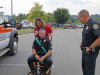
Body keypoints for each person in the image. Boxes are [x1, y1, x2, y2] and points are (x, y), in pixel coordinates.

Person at [78, 9, 100, 75]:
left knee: (89, 71)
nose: (79, 20)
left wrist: (90, 47)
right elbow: (90, 37)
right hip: (85, 51)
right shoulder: (86, 24)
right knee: (85, 70)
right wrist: (83, 43)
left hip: (91, 52)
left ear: (84, 16)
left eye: (80, 18)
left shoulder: (94, 24)